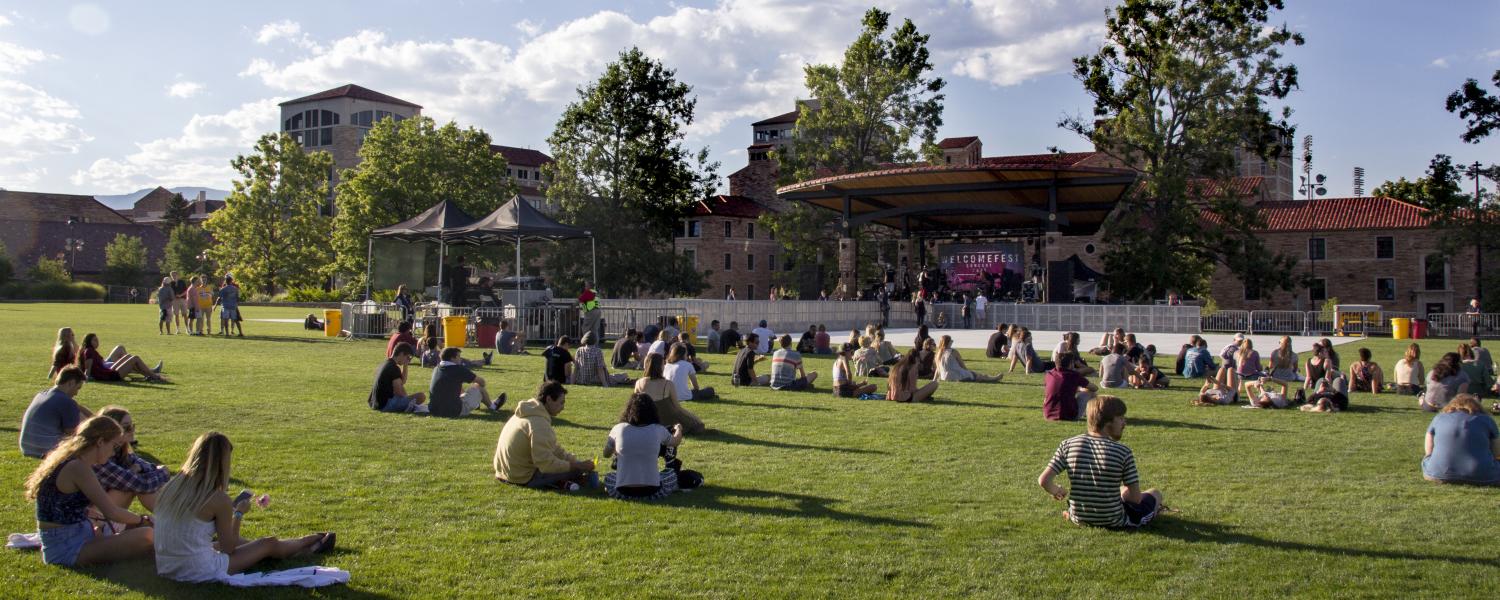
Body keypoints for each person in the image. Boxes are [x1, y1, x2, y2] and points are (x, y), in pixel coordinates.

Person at [153, 432, 333, 581]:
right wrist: (238, 514)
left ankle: (295, 547)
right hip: (197, 570)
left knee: (247, 544)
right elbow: (228, 549)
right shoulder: (217, 498)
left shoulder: (172, 488)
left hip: (167, 565)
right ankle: (309, 543)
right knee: (267, 543)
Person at [26, 416, 155, 566]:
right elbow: (111, 512)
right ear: (100, 442)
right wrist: (142, 520)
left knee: (143, 533)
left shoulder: (72, 461)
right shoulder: (77, 468)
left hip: (76, 535)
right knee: (147, 535)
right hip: (67, 547)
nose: (113, 453)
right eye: (113, 446)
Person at [1038, 396, 1163, 529]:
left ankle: (1071, 513)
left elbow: (1044, 480)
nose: (1124, 423)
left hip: (1079, 517)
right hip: (1114, 520)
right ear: (1108, 422)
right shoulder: (1122, 451)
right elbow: (1136, 499)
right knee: (1155, 493)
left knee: (1122, 490)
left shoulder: (1068, 445)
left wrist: (1057, 490)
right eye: (1120, 418)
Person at [494, 381, 597, 490]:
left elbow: (553, 448)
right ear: (548, 400)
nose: (563, 407)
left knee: (574, 468)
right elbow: (546, 464)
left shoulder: (525, 413)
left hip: (503, 473)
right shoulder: (539, 424)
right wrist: (578, 466)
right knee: (576, 471)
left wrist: (574, 461)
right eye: (561, 403)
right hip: (522, 478)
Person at [603, 394, 693, 500]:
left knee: (609, 477)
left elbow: (606, 454)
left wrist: (616, 449)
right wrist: (678, 429)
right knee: (671, 474)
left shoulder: (618, 429)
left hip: (622, 491)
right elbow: (675, 441)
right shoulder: (657, 429)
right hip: (653, 491)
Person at [93, 406, 169, 514]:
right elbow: (142, 485)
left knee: (147, 483)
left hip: (110, 510)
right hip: (93, 516)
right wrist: (163, 471)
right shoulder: (99, 456)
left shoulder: (120, 451)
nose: (132, 431)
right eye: (126, 427)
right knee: (136, 487)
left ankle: (175, 521)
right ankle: (174, 522)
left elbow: (148, 468)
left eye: (132, 426)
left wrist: (159, 471)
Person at [1421, 394, 1500, 486]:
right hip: (1481, 475)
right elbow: (1496, 451)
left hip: (1437, 473)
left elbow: (1429, 450)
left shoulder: (1439, 418)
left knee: (1427, 460)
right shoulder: (1487, 420)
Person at [20, 367, 93, 458]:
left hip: (27, 447)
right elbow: (75, 431)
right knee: (90, 439)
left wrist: (77, 406)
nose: (76, 393)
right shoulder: (66, 402)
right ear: (71, 383)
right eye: (78, 388)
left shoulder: (42, 394)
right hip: (45, 450)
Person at [633, 354, 706, 435]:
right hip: (668, 421)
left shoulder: (639, 383)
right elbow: (678, 407)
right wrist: (695, 418)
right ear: (660, 366)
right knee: (697, 426)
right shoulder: (668, 384)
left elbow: (635, 406)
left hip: (649, 421)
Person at [429, 347, 499, 417]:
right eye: (458, 356)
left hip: (434, 410)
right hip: (453, 411)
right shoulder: (458, 369)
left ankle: (478, 404)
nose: (460, 359)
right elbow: (482, 382)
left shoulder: (436, 369)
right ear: (452, 358)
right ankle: (492, 406)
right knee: (478, 387)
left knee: (456, 387)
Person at [76, 333, 165, 383]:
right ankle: (154, 376)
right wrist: (86, 377)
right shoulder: (89, 351)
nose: (97, 341)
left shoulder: (91, 350)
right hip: (109, 376)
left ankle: (149, 375)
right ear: (89, 342)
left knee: (129, 357)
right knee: (135, 358)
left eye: (97, 339)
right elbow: (88, 368)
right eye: (95, 340)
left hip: (108, 372)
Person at [369, 342, 428, 413]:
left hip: (375, 403)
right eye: (408, 357)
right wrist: (407, 399)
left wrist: (405, 365)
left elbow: (402, 382)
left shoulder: (385, 363)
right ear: (401, 354)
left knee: (403, 389)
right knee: (421, 396)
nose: (408, 360)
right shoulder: (393, 368)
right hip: (385, 405)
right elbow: (399, 392)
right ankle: (410, 407)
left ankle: (410, 406)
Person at [1044, 352, 1097, 421]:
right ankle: (1093, 415)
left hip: (1048, 414)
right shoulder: (1074, 375)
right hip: (1068, 415)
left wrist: (1077, 388)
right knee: (1090, 393)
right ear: (1071, 364)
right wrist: (1080, 389)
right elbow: (1094, 388)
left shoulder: (1049, 374)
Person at [935, 335, 1001, 383]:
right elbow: (962, 366)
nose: (952, 341)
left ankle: (992, 378)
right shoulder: (953, 351)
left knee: (975, 374)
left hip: (944, 377)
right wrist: (969, 373)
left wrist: (934, 379)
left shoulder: (938, 354)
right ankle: (994, 378)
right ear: (949, 342)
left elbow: (937, 369)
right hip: (956, 376)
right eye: (951, 340)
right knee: (978, 376)